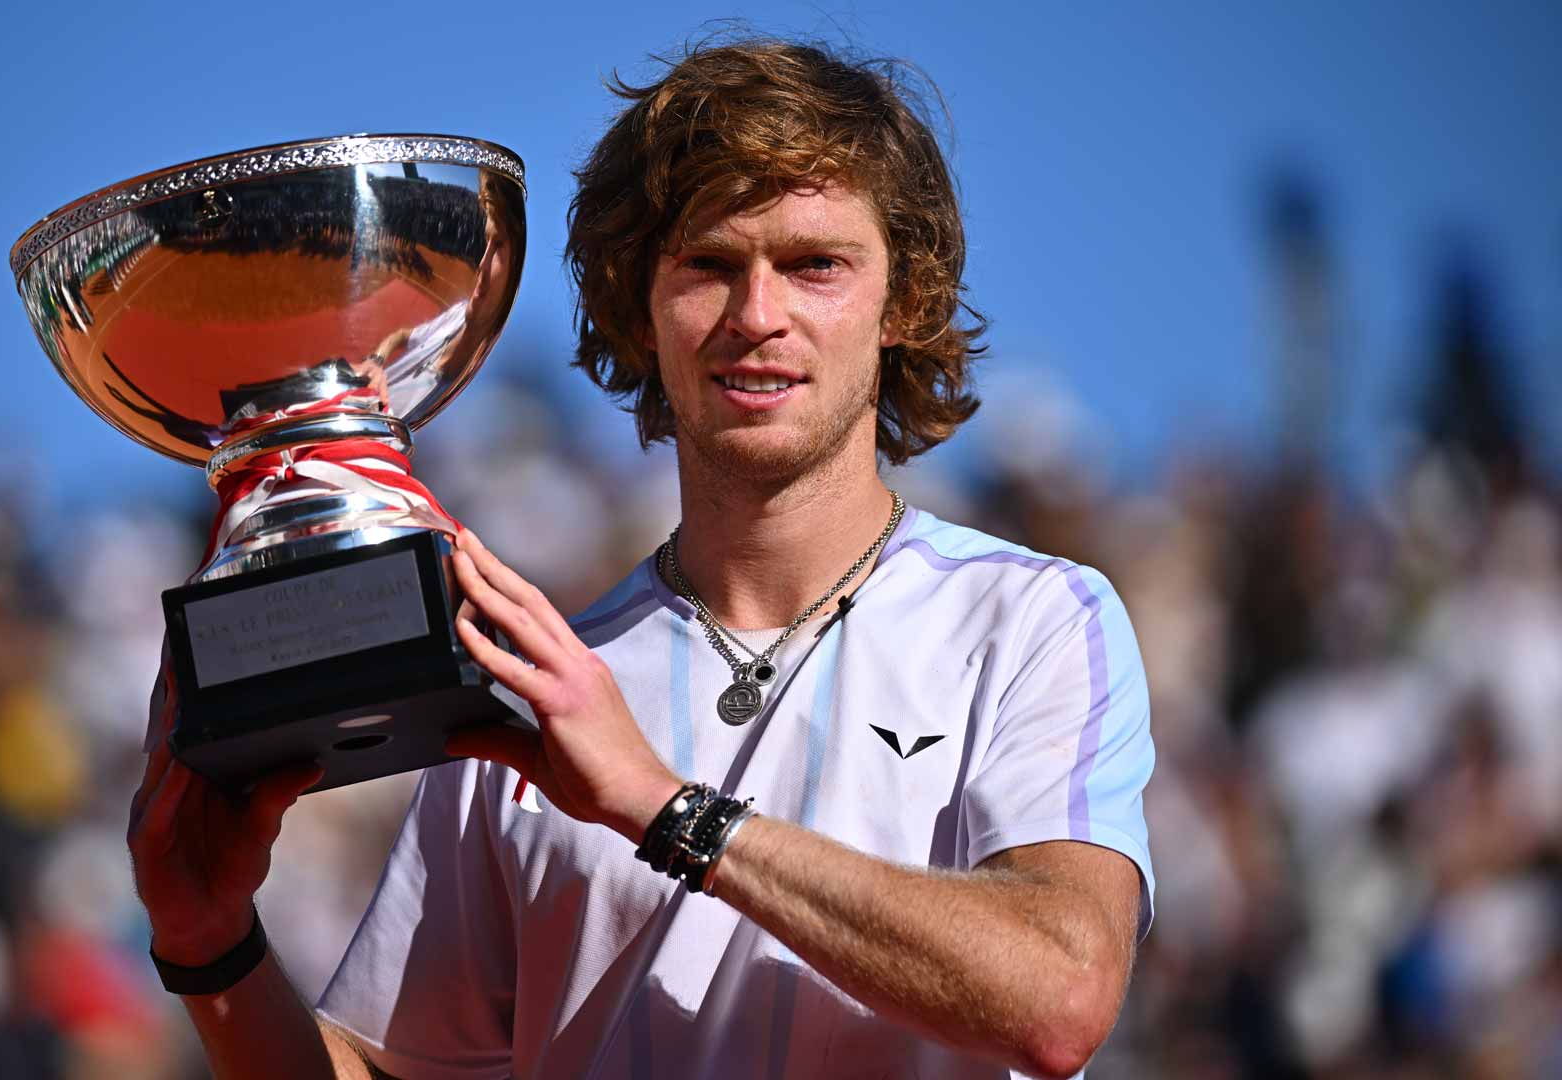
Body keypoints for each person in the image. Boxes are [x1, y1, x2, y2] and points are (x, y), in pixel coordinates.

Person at [128, 37, 1155, 1080]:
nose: (759, 317)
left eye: (815, 264)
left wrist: (665, 809)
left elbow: (1060, 995)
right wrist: (212, 950)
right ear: (641, 306)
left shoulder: (1033, 620)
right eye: (709, 265)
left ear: (904, 301)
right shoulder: (525, 686)